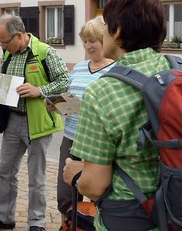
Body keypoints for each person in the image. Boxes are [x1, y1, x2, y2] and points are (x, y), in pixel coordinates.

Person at [63, 0, 182, 230]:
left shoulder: (103, 92)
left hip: (133, 216)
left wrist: (76, 174)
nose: (102, 33)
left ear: (117, 32)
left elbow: (94, 186)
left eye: (105, 27)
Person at [0, 13, 69, 231]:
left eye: (4, 42)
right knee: (6, 171)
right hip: (12, 121)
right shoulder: (8, 55)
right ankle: (4, 218)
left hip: (37, 123)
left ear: (19, 35)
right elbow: (2, 83)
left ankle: (37, 223)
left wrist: (40, 90)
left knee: (36, 177)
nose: (2, 46)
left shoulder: (45, 52)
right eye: (0, 42)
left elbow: (65, 81)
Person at [55, 16, 115, 225]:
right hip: (71, 138)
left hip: (96, 142)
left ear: (104, 41)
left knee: (96, 192)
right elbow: (69, 100)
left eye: (93, 41)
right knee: (65, 194)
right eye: (85, 41)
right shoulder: (79, 68)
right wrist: (56, 105)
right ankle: (67, 225)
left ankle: (95, 226)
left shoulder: (115, 70)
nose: (88, 46)